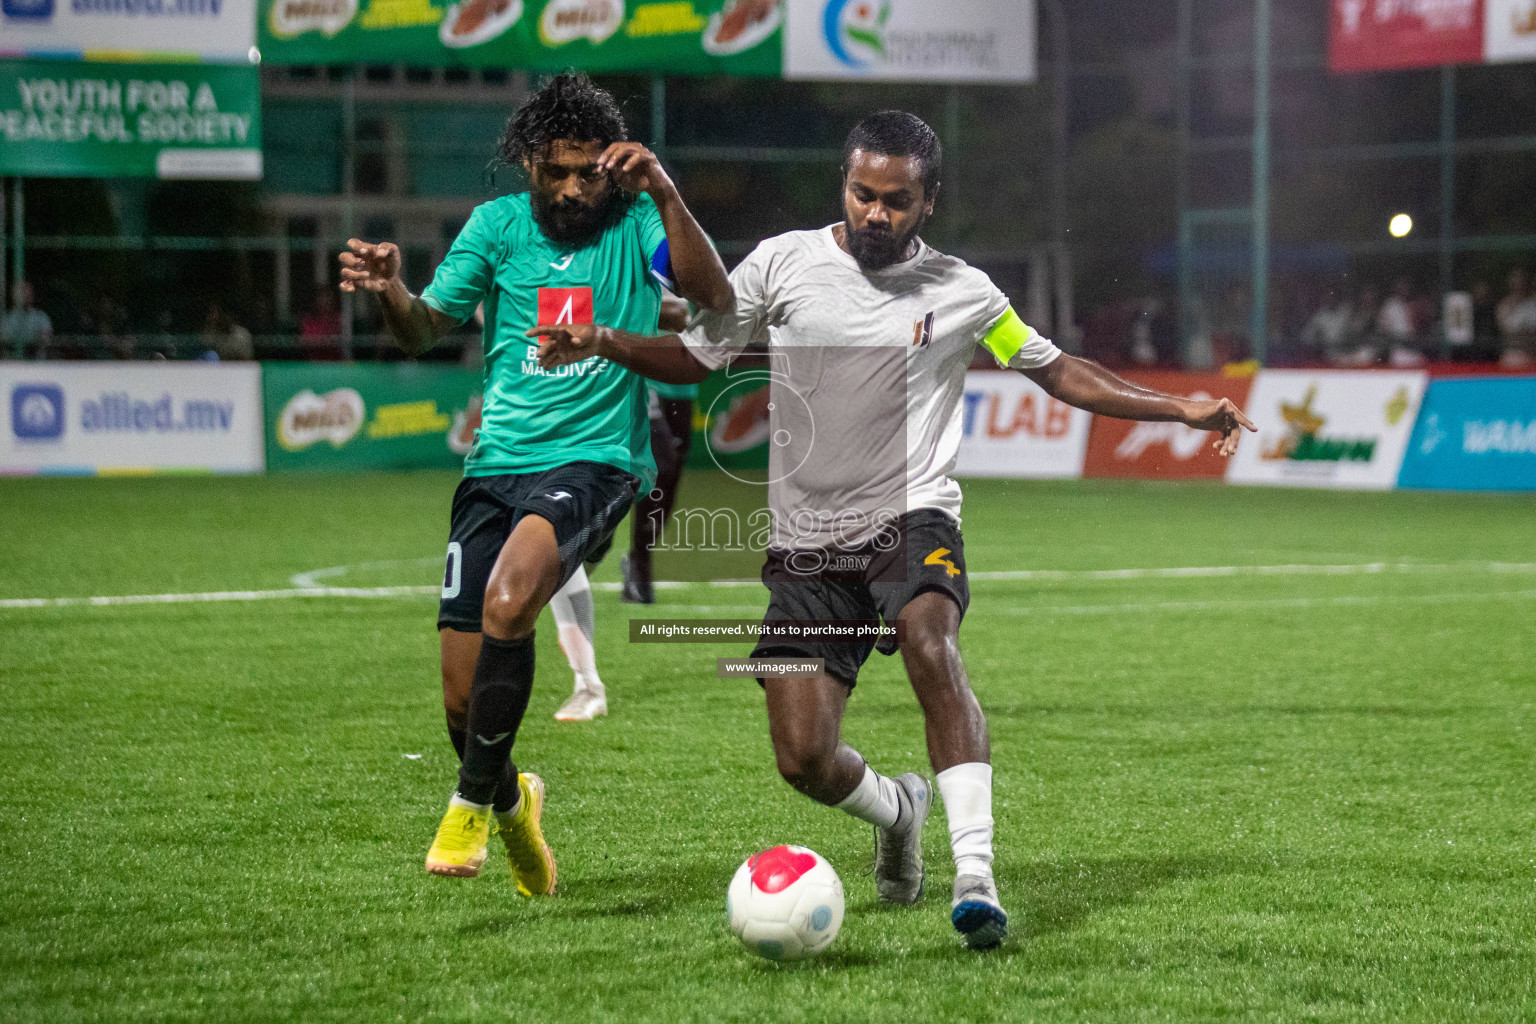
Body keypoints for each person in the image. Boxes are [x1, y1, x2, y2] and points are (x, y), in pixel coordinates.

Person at [531, 110, 1255, 949]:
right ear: (845, 184)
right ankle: (898, 807)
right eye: (862, 193)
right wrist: (605, 339)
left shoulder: (965, 291)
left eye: (897, 201)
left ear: (929, 202)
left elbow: (1055, 368)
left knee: (929, 639)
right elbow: (698, 358)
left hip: (912, 513)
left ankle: (975, 871)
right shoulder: (781, 263)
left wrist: (1179, 407)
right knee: (802, 757)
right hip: (806, 540)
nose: (876, 213)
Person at [338, 71, 731, 889]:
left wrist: (663, 189)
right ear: (528, 165)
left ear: (610, 167)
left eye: (587, 170)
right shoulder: (496, 227)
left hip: (596, 462)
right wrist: (389, 291)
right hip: (494, 469)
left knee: (513, 600)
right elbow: (422, 330)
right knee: (460, 700)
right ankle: (516, 805)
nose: (572, 187)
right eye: (555, 171)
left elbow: (712, 297)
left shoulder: (636, 227)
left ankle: (467, 807)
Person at [621, 296, 695, 604]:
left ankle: (638, 556)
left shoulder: (699, 251)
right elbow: (675, 311)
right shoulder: (645, 249)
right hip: (645, 376)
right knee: (660, 465)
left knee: (670, 476)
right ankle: (639, 565)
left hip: (683, 382)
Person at [2, 282, 53, 359]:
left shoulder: (41, 317)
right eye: (22, 293)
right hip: (10, 364)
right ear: (14, 296)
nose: (26, 296)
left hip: (37, 364)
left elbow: (45, 340)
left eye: (28, 293)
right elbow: (3, 341)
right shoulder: (6, 318)